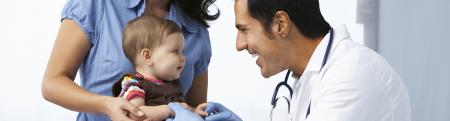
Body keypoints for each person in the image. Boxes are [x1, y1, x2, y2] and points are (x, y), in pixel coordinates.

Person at [168, 0, 412, 120]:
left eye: (244, 30)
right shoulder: (307, 77)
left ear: (280, 24)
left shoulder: (352, 76)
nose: (239, 45)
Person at [41, 0, 219, 120]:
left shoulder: (196, 30)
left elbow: (194, 110)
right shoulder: (97, 4)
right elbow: (52, 83)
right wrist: (105, 105)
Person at [111, 15, 207, 120]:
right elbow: (135, 112)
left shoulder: (173, 84)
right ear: (148, 56)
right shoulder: (134, 84)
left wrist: (194, 110)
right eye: (175, 51)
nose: (183, 58)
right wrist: (171, 110)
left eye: (182, 52)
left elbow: (183, 108)